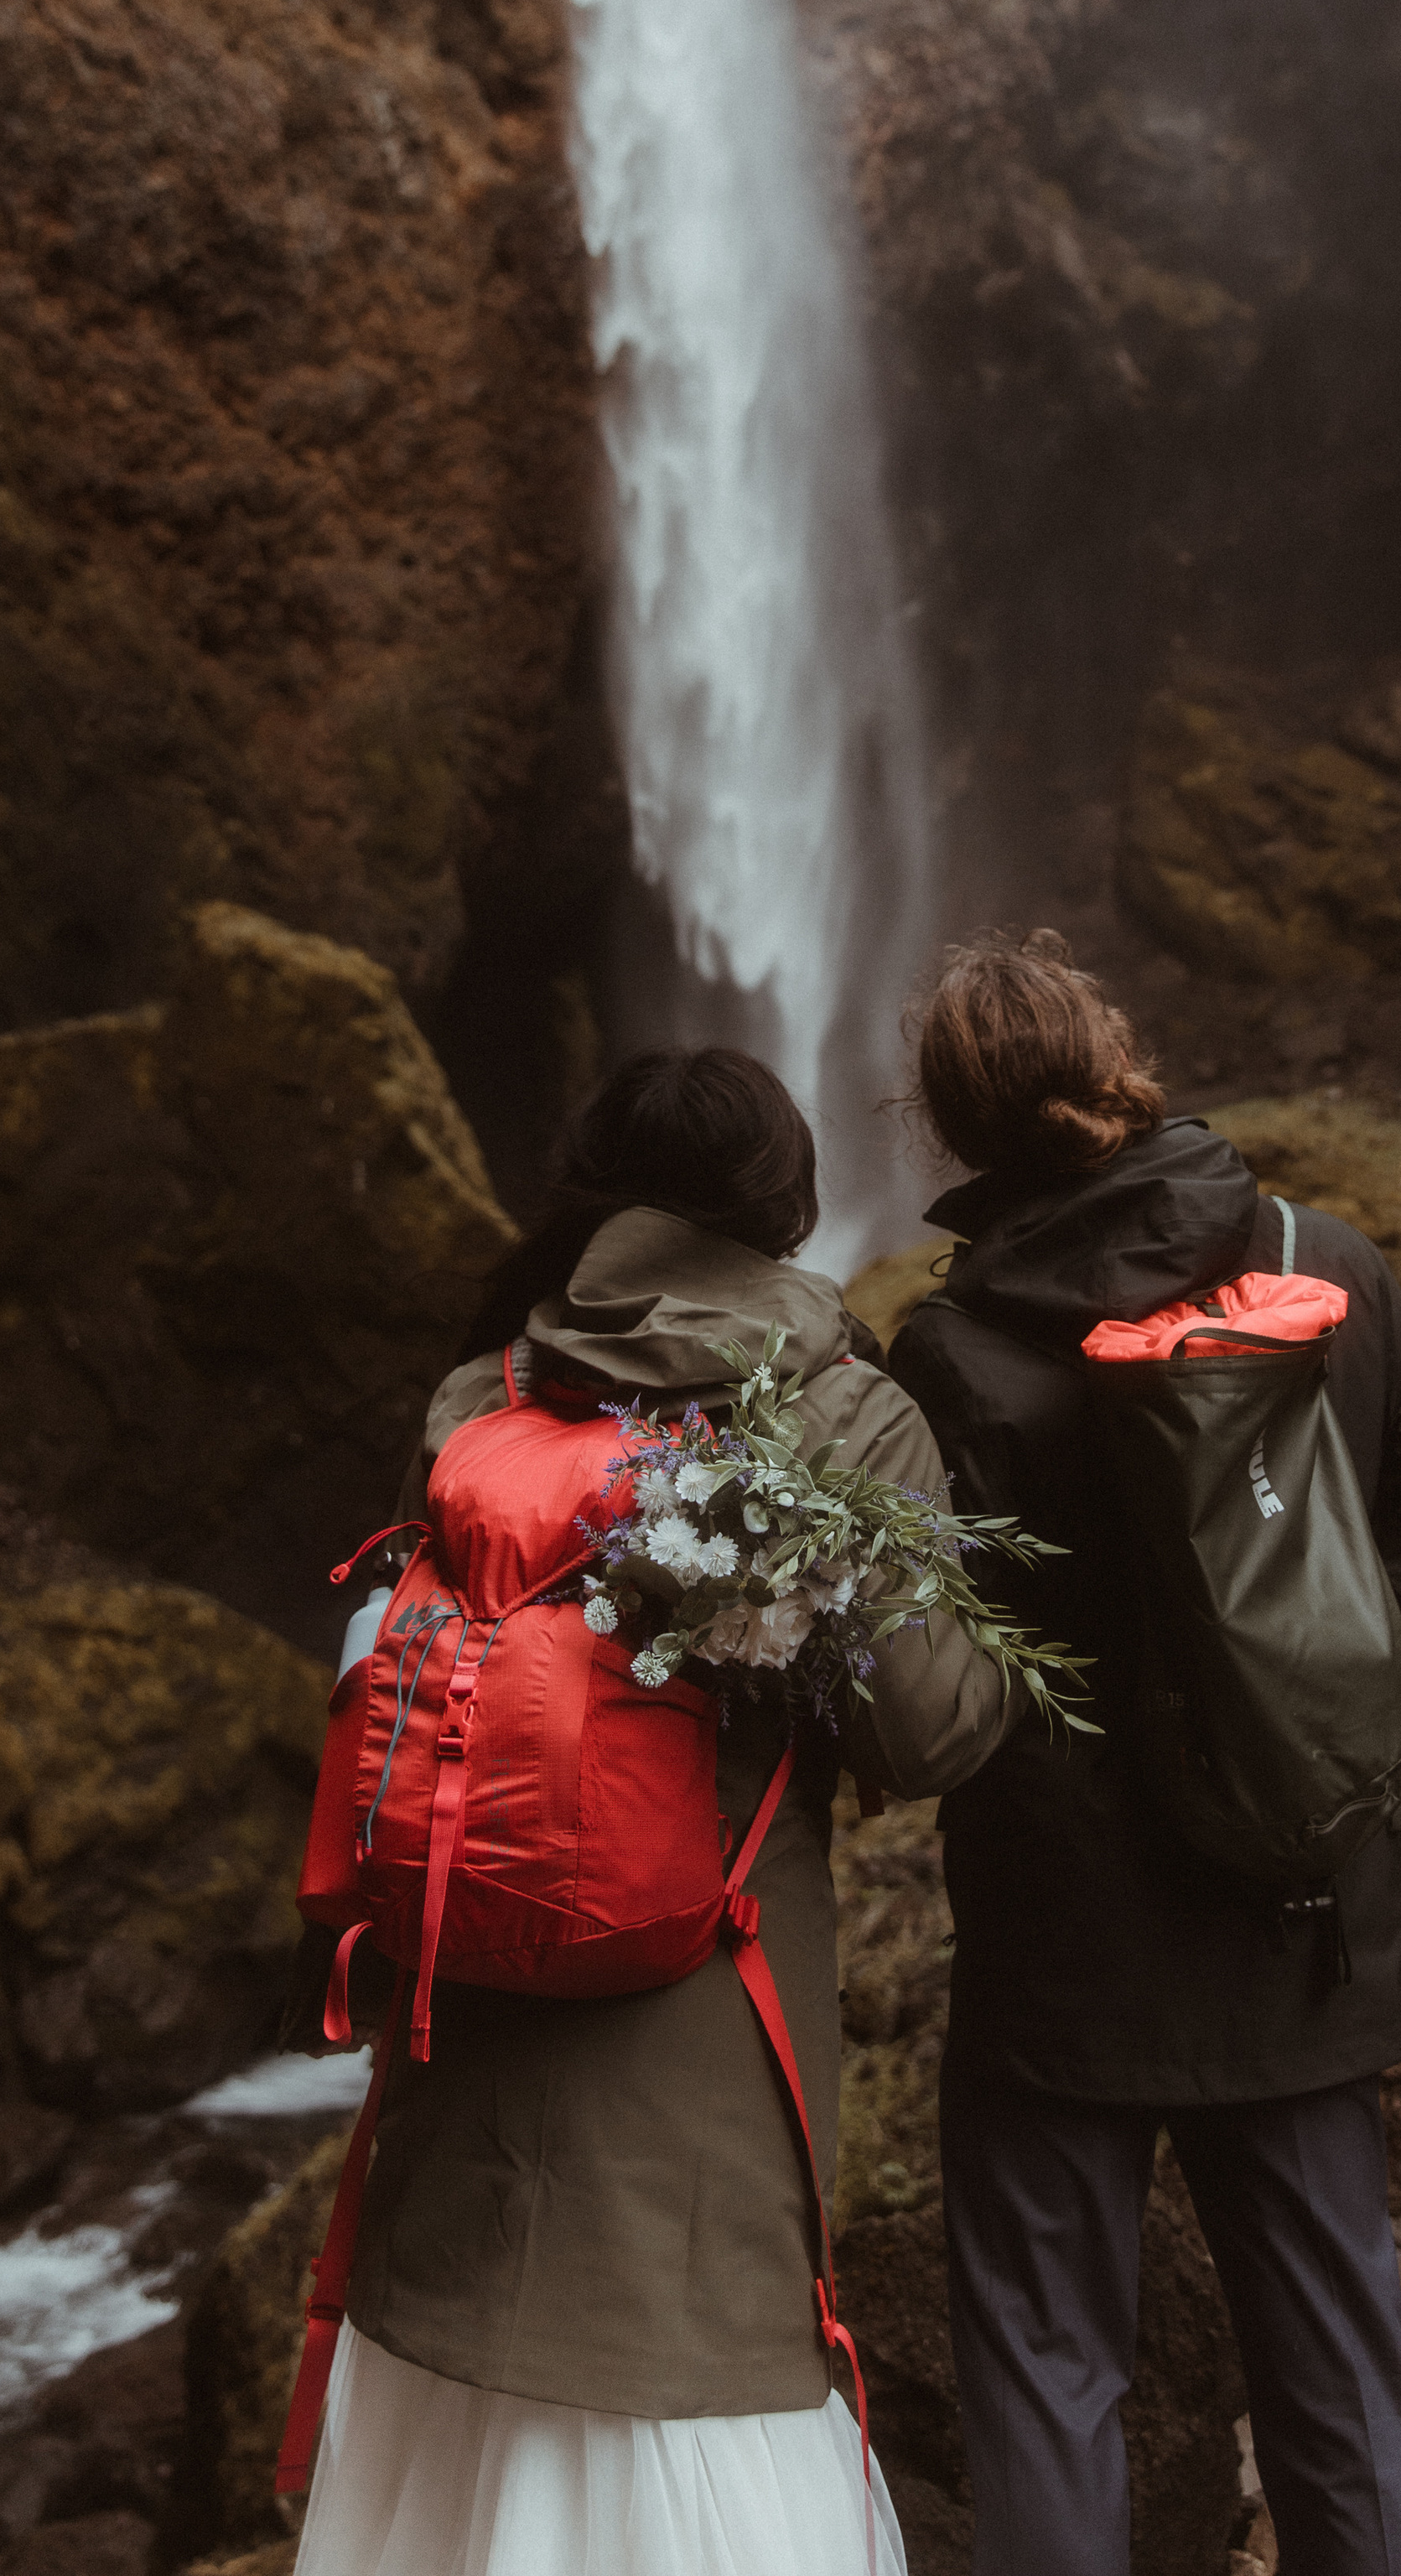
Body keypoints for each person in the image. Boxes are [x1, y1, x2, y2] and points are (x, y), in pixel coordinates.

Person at [288, 1045, 1017, 2576]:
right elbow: (936, 1728)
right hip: (699, 2066)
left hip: (459, 2068)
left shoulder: (484, 1391)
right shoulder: (834, 1416)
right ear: (790, 1206)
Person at [886, 932, 1401, 2576]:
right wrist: (1363, 1823)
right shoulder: (1331, 1269)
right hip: (1295, 1905)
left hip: (1063, 1950)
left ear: (946, 1127)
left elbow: (934, 1663)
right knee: (1340, 2367)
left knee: (1044, 2368)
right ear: (1115, 1061)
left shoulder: (946, 1353)